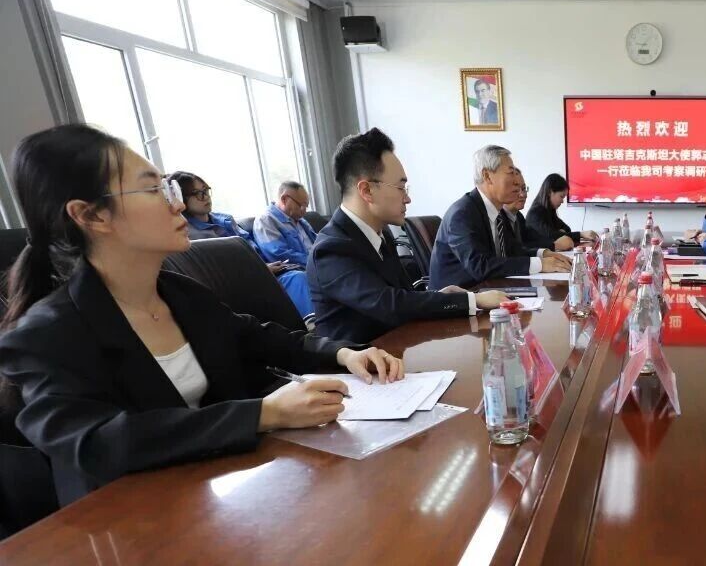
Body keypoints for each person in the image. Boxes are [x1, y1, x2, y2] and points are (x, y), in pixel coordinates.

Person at [0, 124, 405, 505]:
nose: (177, 204)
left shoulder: (183, 294)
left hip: (220, 496)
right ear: (91, 216)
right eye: (154, 190)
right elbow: (100, 442)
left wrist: (343, 354)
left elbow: (261, 337)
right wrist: (264, 413)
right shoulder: (44, 336)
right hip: (130, 526)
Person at [308, 128, 509, 343]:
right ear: (366, 191)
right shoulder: (331, 249)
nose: (407, 199)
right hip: (365, 360)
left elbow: (404, 297)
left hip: (399, 349)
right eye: (400, 187)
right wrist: (472, 300)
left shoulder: (381, 235)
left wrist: (440, 296)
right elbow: (390, 305)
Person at [429, 145, 572, 290]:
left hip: (489, 290)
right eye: (511, 173)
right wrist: (540, 264)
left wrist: (543, 254)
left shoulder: (497, 214)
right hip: (459, 297)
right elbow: (480, 266)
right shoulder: (463, 214)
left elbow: (513, 251)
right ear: (487, 176)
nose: (517, 182)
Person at [173, 171, 313, 318]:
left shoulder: (226, 220)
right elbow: (214, 272)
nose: (206, 197)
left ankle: (316, 322)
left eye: (206, 190)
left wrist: (262, 266)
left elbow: (251, 248)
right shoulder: (187, 233)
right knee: (298, 278)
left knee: (298, 276)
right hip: (240, 282)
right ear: (182, 198)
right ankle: (313, 324)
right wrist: (257, 269)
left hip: (264, 272)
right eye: (198, 193)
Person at [254, 181, 318, 267]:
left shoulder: (300, 220)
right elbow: (279, 255)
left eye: (306, 206)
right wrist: (317, 261)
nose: (304, 211)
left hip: (317, 263)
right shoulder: (265, 220)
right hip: (294, 269)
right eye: (301, 205)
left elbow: (317, 241)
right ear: (284, 199)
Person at [508, 168, 573, 252]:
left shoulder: (518, 216)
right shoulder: (535, 213)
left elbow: (531, 242)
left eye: (524, 189)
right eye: (516, 190)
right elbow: (521, 248)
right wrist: (556, 244)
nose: (523, 195)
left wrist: (554, 244)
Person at [526, 173, 598, 247]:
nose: (562, 201)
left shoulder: (550, 211)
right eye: (561, 196)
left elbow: (567, 229)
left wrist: (560, 234)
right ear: (550, 192)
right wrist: (581, 234)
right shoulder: (535, 213)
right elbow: (552, 236)